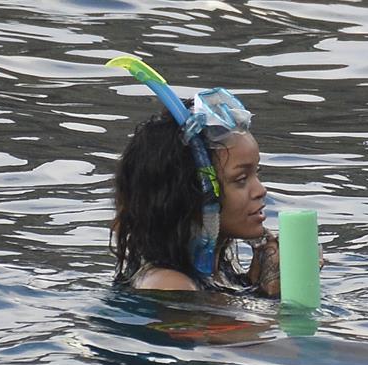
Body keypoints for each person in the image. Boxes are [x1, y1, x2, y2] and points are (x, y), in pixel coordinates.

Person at [108, 59, 318, 298]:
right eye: (241, 179)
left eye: (256, 174)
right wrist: (276, 296)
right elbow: (261, 336)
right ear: (192, 196)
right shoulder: (168, 284)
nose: (261, 190)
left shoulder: (219, 275)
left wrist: (263, 278)